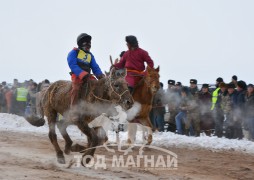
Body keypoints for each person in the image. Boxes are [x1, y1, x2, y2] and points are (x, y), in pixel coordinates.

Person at [67, 33, 105, 106]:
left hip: (88, 76)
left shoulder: (90, 55)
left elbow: (95, 67)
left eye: (89, 43)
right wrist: (82, 74)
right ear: (81, 44)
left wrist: (100, 75)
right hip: (77, 76)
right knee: (76, 89)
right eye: (86, 43)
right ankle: (73, 110)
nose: (88, 45)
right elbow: (73, 65)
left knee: (98, 87)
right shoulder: (74, 52)